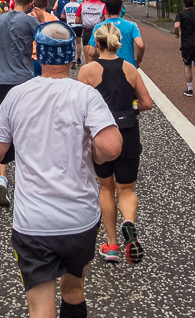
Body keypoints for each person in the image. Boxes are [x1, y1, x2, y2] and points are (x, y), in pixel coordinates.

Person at [0, 21, 122, 318]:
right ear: (71, 56)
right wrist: (95, 153)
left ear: (36, 53)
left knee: (40, 308)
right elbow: (111, 147)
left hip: (33, 222)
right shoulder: (86, 95)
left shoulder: (17, 96)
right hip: (79, 219)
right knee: (74, 291)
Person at [78, 23, 153, 265]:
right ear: (118, 43)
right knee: (127, 189)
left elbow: (80, 110)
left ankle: (111, 245)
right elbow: (147, 103)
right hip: (128, 131)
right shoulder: (130, 69)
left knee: (106, 188)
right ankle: (129, 223)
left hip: (102, 135)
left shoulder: (88, 71)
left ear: (97, 45)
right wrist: (130, 108)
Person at [0, 0, 39, 207]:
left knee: (4, 127)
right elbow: (43, 42)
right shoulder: (30, 21)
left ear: (13, 1)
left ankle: (2, 177)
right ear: (31, 3)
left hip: (1, 80)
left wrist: (3, 48)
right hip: (23, 79)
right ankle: (28, 179)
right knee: (26, 127)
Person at [85, 0, 144, 68]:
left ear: (106, 9)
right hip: (129, 67)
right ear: (121, 8)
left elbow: (91, 52)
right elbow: (140, 45)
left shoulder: (98, 27)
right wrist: (138, 60)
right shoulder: (132, 25)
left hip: (107, 68)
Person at [28, 0, 60, 77]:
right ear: (47, 4)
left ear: (33, 4)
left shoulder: (27, 18)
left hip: (31, 57)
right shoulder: (54, 19)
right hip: (48, 57)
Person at [60, 0, 83, 66]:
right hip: (78, 25)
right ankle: (78, 59)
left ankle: (72, 58)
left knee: (71, 43)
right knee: (78, 43)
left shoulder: (66, 6)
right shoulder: (80, 5)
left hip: (70, 25)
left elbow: (62, 16)